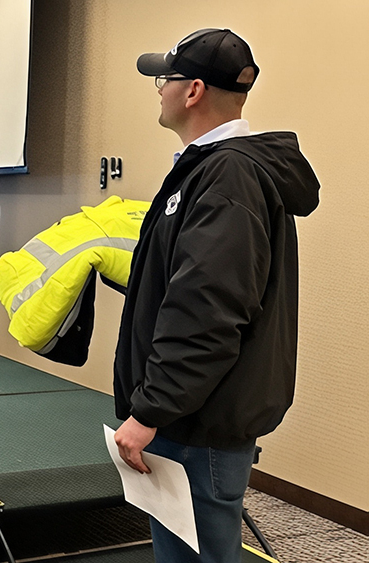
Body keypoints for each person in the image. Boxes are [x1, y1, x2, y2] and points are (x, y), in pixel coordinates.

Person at [113, 29, 320, 562]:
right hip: (193, 418)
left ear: (194, 90)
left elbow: (206, 311)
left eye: (165, 79)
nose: (158, 90)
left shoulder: (228, 175)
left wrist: (150, 410)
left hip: (197, 427)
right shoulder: (209, 170)